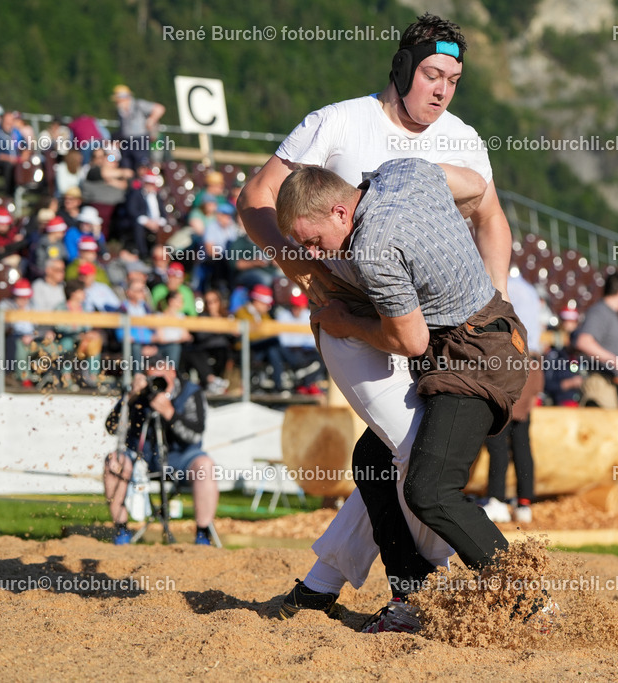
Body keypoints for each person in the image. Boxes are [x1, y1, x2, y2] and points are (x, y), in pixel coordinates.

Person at [237, 13, 513, 623]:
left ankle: (323, 583)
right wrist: (303, 270)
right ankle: (438, 589)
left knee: (387, 455)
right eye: (432, 74)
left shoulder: (463, 138)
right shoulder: (338, 121)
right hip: (350, 313)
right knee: (414, 451)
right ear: (402, 69)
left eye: (454, 79)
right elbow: (254, 198)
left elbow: (491, 216)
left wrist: (494, 303)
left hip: (436, 323)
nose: (441, 90)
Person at [276, 157, 529, 633]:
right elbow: (476, 186)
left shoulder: (371, 249)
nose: (316, 253)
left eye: (313, 241)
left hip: (474, 360)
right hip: (485, 336)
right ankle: (412, 591)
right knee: (371, 459)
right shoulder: (402, 170)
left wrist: (343, 322)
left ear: (338, 212)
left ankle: (529, 601)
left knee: (428, 489)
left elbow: (410, 342)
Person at [104, 355, 218, 545]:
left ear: (172, 373)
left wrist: (169, 414)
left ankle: (202, 534)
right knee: (114, 461)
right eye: (152, 378)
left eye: (162, 377)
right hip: (143, 457)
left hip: (181, 457)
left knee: (205, 466)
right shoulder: (138, 395)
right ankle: (121, 530)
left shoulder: (191, 393)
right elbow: (112, 427)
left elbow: (195, 437)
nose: (157, 384)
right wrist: (131, 396)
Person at [482, 272, 544, 524]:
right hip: (532, 363)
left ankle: (496, 499)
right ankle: (524, 502)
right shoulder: (528, 288)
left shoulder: (497, 284)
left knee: (497, 434)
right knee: (521, 438)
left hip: (511, 361)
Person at [572, 271, 618, 408]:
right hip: (601, 384)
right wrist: (617, 363)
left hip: (615, 384)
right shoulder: (600, 312)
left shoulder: (610, 314)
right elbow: (584, 342)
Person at [111, 85, 165, 170]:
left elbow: (159, 108)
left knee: (141, 166)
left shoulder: (138, 105)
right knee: (127, 166)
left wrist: (151, 120)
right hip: (126, 142)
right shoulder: (121, 112)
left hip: (140, 140)